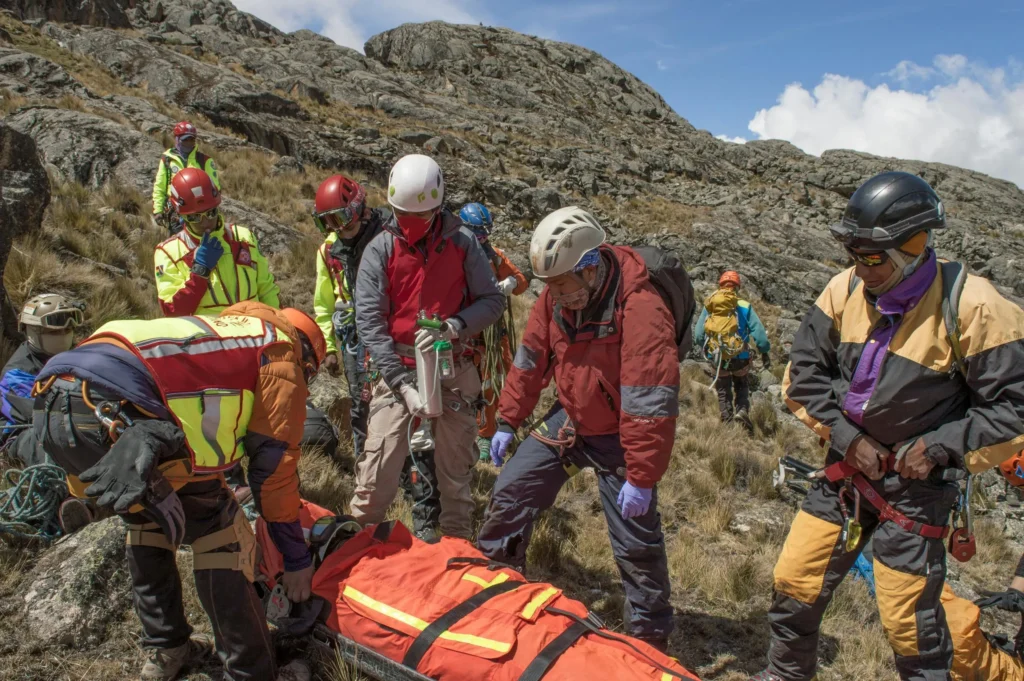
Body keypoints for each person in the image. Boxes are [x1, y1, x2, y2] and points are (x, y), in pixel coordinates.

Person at [752, 171, 1024, 681]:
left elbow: (1015, 409)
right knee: (795, 583)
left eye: (872, 257)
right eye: (854, 254)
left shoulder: (977, 307)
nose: (861, 268)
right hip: (845, 471)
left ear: (915, 246)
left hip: (918, 488)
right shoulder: (844, 288)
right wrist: (848, 438)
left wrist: (938, 447)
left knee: (910, 625)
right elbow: (803, 377)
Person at [31, 302, 323, 681]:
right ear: (307, 355)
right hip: (122, 417)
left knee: (149, 523)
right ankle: (251, 671)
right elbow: (274, 474)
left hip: (55, 398)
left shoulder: (223, 331)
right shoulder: (280, 354)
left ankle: (166, 650)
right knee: (223, 534)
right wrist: (297, 561)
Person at [476, 206, 679, 651]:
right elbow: (530, 363)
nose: (555, 296)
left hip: (623, 438)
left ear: (589, 269)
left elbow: (649, 402)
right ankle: (495, 586)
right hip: (570, 420)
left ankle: (651, 641)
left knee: (636, 542)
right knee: (511, 491)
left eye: (563, 286)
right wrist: (507, 420)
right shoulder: (555, 298)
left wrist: (641, 478)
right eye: (550, 287)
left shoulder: (642, 307)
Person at [353, 154, 504, 541]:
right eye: (400, 215)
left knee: (456, 480)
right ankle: (354, 550)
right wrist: (402, 384)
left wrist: (456, 326)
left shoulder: (462, 243)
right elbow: (370, 322)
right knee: (376, 478)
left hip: (452, 368)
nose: (408, 225)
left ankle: (456, 553)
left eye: (417, 217)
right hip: (397, 370)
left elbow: (491, 301)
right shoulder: (380, 250)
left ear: (437, 209)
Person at [0, 294, 92, 533]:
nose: (63, 335)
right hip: (23, 433)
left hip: (76, 421)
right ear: (32, 332)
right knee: (44, 440)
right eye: (54, 331)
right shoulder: (18, 372)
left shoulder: (81, 355)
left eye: (68, 329)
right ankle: (68, 501)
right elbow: (36, 414)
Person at [312, 174, 389, 458]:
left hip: (389, 333)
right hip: (353, 339)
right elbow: (323, 303)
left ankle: (401, 465)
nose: (338, 229)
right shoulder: (328, 251)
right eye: (328, 222)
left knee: (395, 397)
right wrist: (328, 347)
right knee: (361, 401)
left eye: (342, 219)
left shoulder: (388, 237)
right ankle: (365, 461)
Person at [154, 168, 279, 317]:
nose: (205, 221)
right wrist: (200, 272)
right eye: (195, 217)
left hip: (253, 335)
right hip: (209, 337)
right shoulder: (169, 253)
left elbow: (267, 290)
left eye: (211, 212)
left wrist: (280, 326)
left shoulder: (244, 238)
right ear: (182, 216)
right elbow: (173, 311)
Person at [458, 202, 528, 459]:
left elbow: (521, 282)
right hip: (465, 332)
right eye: (478, 234)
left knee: (494, 380)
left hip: (493, 333)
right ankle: (465, 430)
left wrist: (510, 283)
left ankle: (487, 433)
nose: (483, 239)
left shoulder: (494, 256)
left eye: (485, 233)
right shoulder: (454, 257)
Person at [693, 270, 771, 425]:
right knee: (741, 384)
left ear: (720, 285)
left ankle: (726, 420)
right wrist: (764, 351)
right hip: (740, 357)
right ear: (737, 287)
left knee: (723, 389)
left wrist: (709, 350)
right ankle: (742, 411)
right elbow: (759, 334)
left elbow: (698, 335)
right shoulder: (744, 306)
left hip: (719, 356)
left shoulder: (710, 305)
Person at [152, 121, 220, 234]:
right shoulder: (167, 160)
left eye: (192, 140)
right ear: (177, 139)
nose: (188, 142)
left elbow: (215, 187)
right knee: (180, 246)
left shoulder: (205, 161)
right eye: (185, 139)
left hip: (201, 212)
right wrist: (158, 210)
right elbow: (160, 187)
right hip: (176, 212)